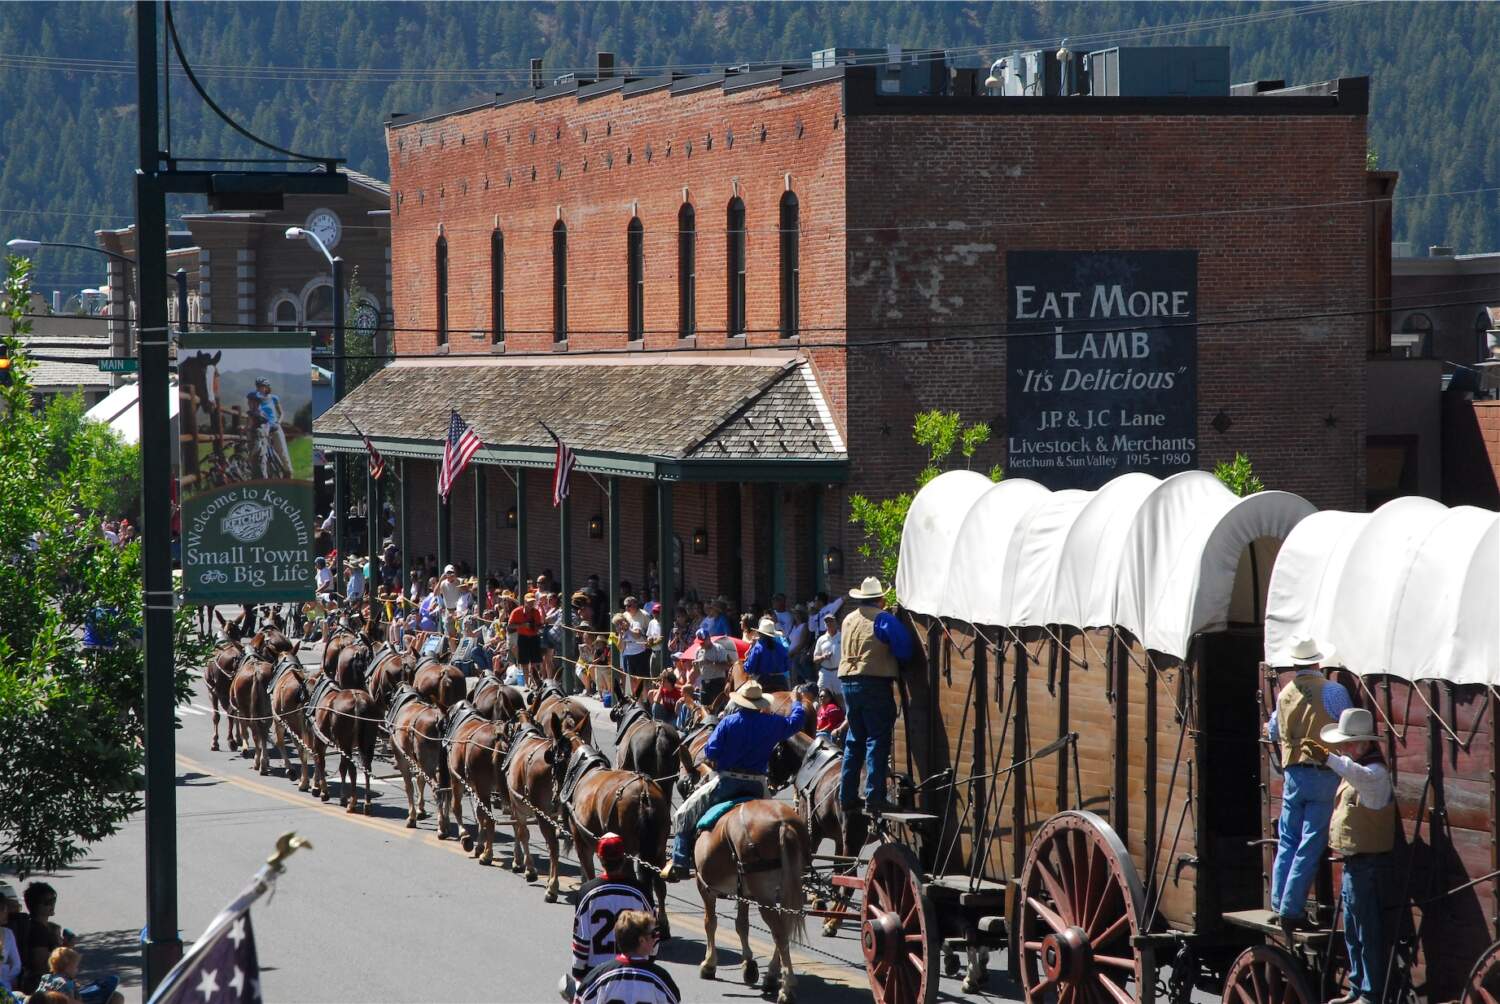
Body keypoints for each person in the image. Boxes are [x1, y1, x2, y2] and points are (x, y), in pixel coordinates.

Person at [660, 680, 806, 882]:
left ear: (741, 702)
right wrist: (797, 702)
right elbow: (796, 723)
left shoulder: (728, 722)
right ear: (760, 703)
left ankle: (680, 862)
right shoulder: (772, 722)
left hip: (727, 783)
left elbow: (711, 751)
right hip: (758, 785)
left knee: (683, 815)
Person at [1264, 638, 1351, 934]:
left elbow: (1273, 730)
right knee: (1310, 843)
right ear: (1317, 663)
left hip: (1293, 775)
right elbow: (1348, 727)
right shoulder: (1333, 691)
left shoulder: (1285, 693)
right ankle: (1291, 910)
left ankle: (1278, 903)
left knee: (1287, 840)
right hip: (1323, 773)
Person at [1313, 708, 1394, 1004]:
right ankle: (1358, 987)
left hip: (1366, 865)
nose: (1343, 749)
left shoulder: (1374, 773)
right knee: (1354, 931)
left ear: (1361, 744)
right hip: (1354, 864)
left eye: (1347, 744)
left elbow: (1356, 774)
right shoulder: (1363, 767)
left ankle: (1370, 994)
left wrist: (1328, 758)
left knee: (1366, 931)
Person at [837, 576, 913, 816]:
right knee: (877, 740)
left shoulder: (849, 619)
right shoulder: (883, 619)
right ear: (880, 599)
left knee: (854, 739)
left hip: (848, 682)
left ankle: (847, 795)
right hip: (874, 683)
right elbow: (905, 650)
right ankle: (874, 797)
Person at [567, 833, 654, 990]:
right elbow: (654, 935)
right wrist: (648, 963)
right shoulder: (641, 892)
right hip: (635, 972)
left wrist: (579, 974)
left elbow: (581, 940)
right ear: (623, 859)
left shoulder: (587, 892)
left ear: (600, 859)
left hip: (597, 975)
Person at [570, 910, 679, 1004]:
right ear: (642, 940)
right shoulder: (660, 978)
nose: (656, 938)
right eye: (653, 934)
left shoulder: (598, 976)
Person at [247, 377, 291, 480]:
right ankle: (266, 477)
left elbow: (281, 413)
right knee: (261, 454)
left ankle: (289, 473)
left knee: (282, 452)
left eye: (262, 386)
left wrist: (278, 422)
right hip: (262, 429)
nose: (259, 388)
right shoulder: (255, 398)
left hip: (275, 427)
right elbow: (251, 412)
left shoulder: (274, 398)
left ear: (267, 387)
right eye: (258, 386)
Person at [743, 617, 791, 693]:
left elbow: (749, 668)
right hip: (781, 680)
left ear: (760, 633)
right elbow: (787, 666)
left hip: (763, 681)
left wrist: (745, 663)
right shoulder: (781, 647)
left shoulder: (758, 647)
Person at [616, 597, 652, 700]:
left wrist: (628, 628)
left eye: (629, 605)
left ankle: (645, 702)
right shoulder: (625, 616)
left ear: (636, 604)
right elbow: (619, 645)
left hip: (642, 651)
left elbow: (644, 633)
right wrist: (620, 633)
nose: (627, 608)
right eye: (625, 606)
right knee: (631, 679)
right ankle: (636, 700)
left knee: (641, 679)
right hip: (627, 653)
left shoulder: (644, 615)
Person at [509, 591, 545, 687]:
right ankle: (526, 683)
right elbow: (510, 625)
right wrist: (523, 625)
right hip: (523, 638)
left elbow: (539, 625)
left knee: (534, 662)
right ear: (525, 602)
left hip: (534, 638)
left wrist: (536, 627)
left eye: (532, 602)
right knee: (524, 662)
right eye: (529, 602)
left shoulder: (536, 612)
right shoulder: (517, 611)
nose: (531, 604)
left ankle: (534, 681)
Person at [692, 627, 734, 707]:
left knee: (718, 708)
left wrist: (710, 663)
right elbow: (697, 672)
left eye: (703, 642)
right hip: (704, 683)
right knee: (704, 708)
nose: (701, 644)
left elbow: (727, 666)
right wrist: (695, 667)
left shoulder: (718, 649)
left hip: (717, 682)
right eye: (700, 642)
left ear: (708, 639)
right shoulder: (698, 651)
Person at [812, 611, 843, 698]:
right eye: (827, 621)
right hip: (825, 672)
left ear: (836, 622)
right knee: (822, 697)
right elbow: (815, 659)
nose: (829, 623)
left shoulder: (842, 636)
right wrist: (823, 657)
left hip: (838, 672)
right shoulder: (821, 639)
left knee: (840, 698)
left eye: (831, 621)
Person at [0, 884, 22, 996]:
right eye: (5, 909)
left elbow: (16, 966)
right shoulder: (7, 934)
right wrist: (5, 969)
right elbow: (16, 966)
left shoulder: (8, 933)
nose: (7, 913)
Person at [786, 603, 813, 685]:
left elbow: (801, 644)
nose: (795, 615)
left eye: (797, 613)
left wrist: (790, 653)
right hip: (790, 655)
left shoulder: (804, 626)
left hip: (797, 655)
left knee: (795, 679)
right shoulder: (794, 626)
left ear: (801, 614)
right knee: (790, 678)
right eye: (794, 613)